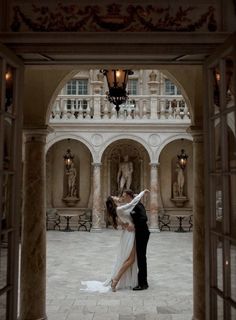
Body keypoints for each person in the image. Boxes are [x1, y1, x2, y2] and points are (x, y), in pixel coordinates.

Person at [80, 189, 150, 293]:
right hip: (130, 235)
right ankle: (116, 280)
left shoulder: (119, 209)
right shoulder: (120, 209)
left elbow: (125, 218)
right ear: (114, 202)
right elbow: (133, 202)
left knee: (130, 259)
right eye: (115, 198)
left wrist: (126, 225)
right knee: (130, 259)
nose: (118, 197)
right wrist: (143, 192)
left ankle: (124, 279)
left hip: (130, 234)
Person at [122, 189, 150, 290]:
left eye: (124, 195)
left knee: (142, 257)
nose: (123, 197)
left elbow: (144, 218)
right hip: (138, 233)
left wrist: (135, 225)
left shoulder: (138, 205)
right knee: (140, 257)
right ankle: (141, 281)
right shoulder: (131, 206)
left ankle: (143, 284)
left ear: (129, 196)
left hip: (143, 233)